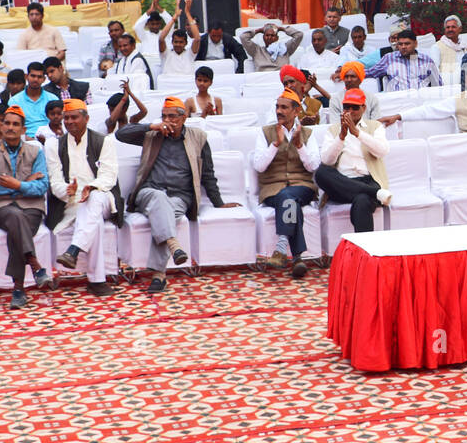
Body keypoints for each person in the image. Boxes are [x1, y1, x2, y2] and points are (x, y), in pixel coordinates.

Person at [118, 98, 227, 292]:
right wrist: (152, 125)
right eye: (164, 116)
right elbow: (120, 134)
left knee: (164, 215)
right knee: (160, 201)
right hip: (149, 192)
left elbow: (208, 174)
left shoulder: (198, 137)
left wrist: (219, 203)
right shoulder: (152, 134)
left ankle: (160, 275)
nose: (168, 120)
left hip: (180, 196)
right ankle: (172, 249)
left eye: (172, 116)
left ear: (184, 117)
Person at [46, 100, 121, 296]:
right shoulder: (54, 145)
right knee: (92, 220)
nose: (69, 122)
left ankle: (74, 250)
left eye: (74, 117)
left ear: (86, 119)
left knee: (94, 200)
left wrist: (91, 187)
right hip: (71, 202)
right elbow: (55, 182)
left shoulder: (103, 141)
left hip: (102, 196)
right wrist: (67, 189)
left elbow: (109, 176)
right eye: (66, 118)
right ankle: (97, 281)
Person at [0, 105, 51, 308]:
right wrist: (24, 184)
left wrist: (16, 185)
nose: (10, 127)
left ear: (23, 129)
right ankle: (35, 265)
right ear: (0, 126)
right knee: (15, 217)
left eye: (15, 124)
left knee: (17, 226)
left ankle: (18, 290)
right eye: (7, 123)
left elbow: (42, 186)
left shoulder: (35, 151)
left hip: (31, 207)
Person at [254, 90, 321, 276]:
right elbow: (259, 166)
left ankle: (282, 247)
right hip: (273, 189)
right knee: (289, 201)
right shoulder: (265, 133)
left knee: (289, 196)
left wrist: (300, 146)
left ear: (296, 111)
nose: (279, 111)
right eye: (277, 106)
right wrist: (275, 144)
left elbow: (313, 166)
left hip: (302, 186)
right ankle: (297, 258)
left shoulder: (307, 134)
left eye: (284, 107)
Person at [315, 88, 391, 232]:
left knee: (362, 201)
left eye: (354, 107)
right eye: (346, 107)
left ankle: (364, 251)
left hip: (367, 179)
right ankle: (375, 193)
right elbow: (327, 160)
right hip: (342, 183)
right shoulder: (334, 129)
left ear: (363, 108)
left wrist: (357, 133)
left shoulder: (375, 126)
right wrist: (341, 137)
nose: (350, 111)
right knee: (321, 172)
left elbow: (382, 151)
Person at [364, 29, 439, 91]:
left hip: (421, 102)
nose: (403, 47)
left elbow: (438, 85)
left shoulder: (427, 61)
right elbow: (370, 72)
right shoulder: (389, 59)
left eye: (407, 44)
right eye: (400, 44)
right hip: (398, 103)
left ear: (415, 44)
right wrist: (354, 71)